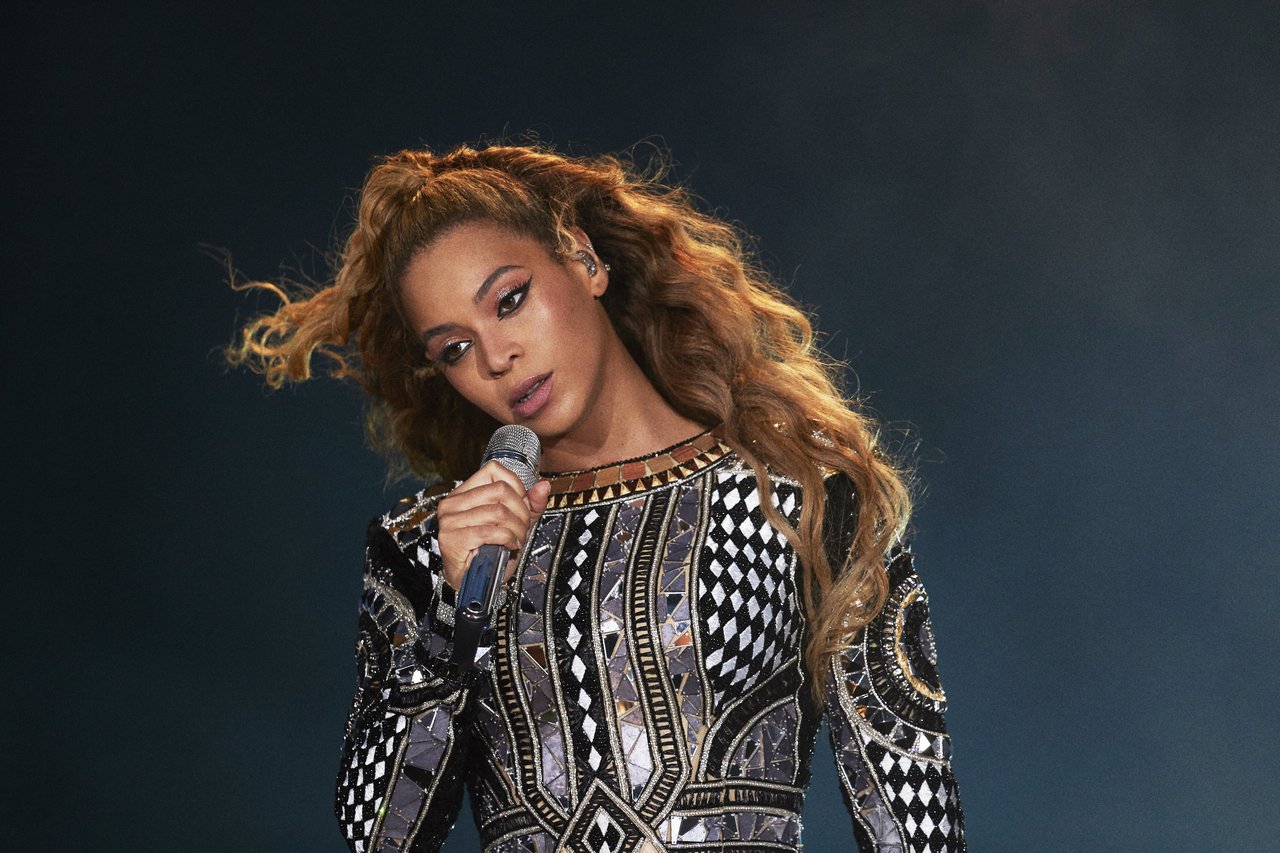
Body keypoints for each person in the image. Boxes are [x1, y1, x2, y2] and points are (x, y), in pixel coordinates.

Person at [227, 142, 965, 852]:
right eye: (454, 348)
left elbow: (916, 815)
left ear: (583, 259)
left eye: (510, 300)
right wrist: (452, 617)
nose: (496, 357)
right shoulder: (429, 546)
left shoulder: (803, 497)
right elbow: (378, 833)